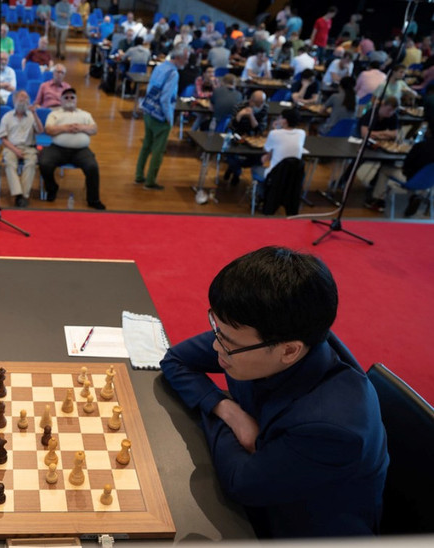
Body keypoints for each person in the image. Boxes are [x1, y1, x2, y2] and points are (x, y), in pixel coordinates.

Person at [159, 246, 388, 538]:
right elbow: (176, 360)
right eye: (216, 328)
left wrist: (221, 416)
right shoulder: (267, 331)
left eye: (226, 340)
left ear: (289, 351)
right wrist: (230, 412)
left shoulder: (332, 428)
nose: (216, 346)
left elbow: (240, 482)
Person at [39, 87, 106, 210]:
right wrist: (65, 128)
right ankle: (52, 188)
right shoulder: (54, 114)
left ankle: (93, 199)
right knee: (44, 163)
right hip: (57, 148)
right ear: (61, 100)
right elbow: (48, 130)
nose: (69, 99)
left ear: (76, 100)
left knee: (92, 167)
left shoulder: (85, 114)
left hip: (81, 150)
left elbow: (94, 129)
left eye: (72, 97)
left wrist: (81, 127)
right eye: (66, 97)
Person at [134, 45, 189, 190]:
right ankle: (150, 181)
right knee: (158, 151)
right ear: (178, 58)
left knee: (146, 145)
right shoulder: (173, 73)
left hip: (148, 110)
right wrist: (169, 117)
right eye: (185, 59)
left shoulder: (159, 66)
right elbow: (166, 98)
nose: (187, 62)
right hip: (160, 115)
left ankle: (139, 175)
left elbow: (150, 87)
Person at [366, 127, 434, 214]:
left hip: (411, 177)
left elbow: (407, 163)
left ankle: (378, 200)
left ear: (429, 132)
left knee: (385, 169)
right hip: (429, 181)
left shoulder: (420, 146)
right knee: (422, 173)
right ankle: (415, 195)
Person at [0, 89, 43, 207]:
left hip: (29, 147)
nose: (24, 100)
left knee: (31, 163)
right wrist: (15, 150)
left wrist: (35, 114)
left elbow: (40, 130)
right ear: (15, 100)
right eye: (21, 97)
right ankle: (18, 194)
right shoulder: (7, 117)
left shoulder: (32, 116)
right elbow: (3, 139)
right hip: (11, 147)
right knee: (9, 164)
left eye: (26, 98)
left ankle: (24, 195)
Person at [250, 108, 305, 191]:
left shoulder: (274, 133)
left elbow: (266, 149)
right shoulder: (302, 133)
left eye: (280, 118)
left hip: (275, 175)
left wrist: (276, 129)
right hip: (293, 176)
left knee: (255, 168)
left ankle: (262, 195)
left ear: (285, 121)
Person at [224, 90, 268, 186]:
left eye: (262, 103)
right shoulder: (239, 107)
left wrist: (251, 116)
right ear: (251, 101)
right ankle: (235, 173)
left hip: (253, 139)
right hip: (237, 137)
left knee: (258, 157)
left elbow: (259, 130)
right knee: (233, 155)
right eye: (257, 103)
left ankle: (234, 170)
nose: (260, 106)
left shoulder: (264, 108)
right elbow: (232, 127)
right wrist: (240, 115)